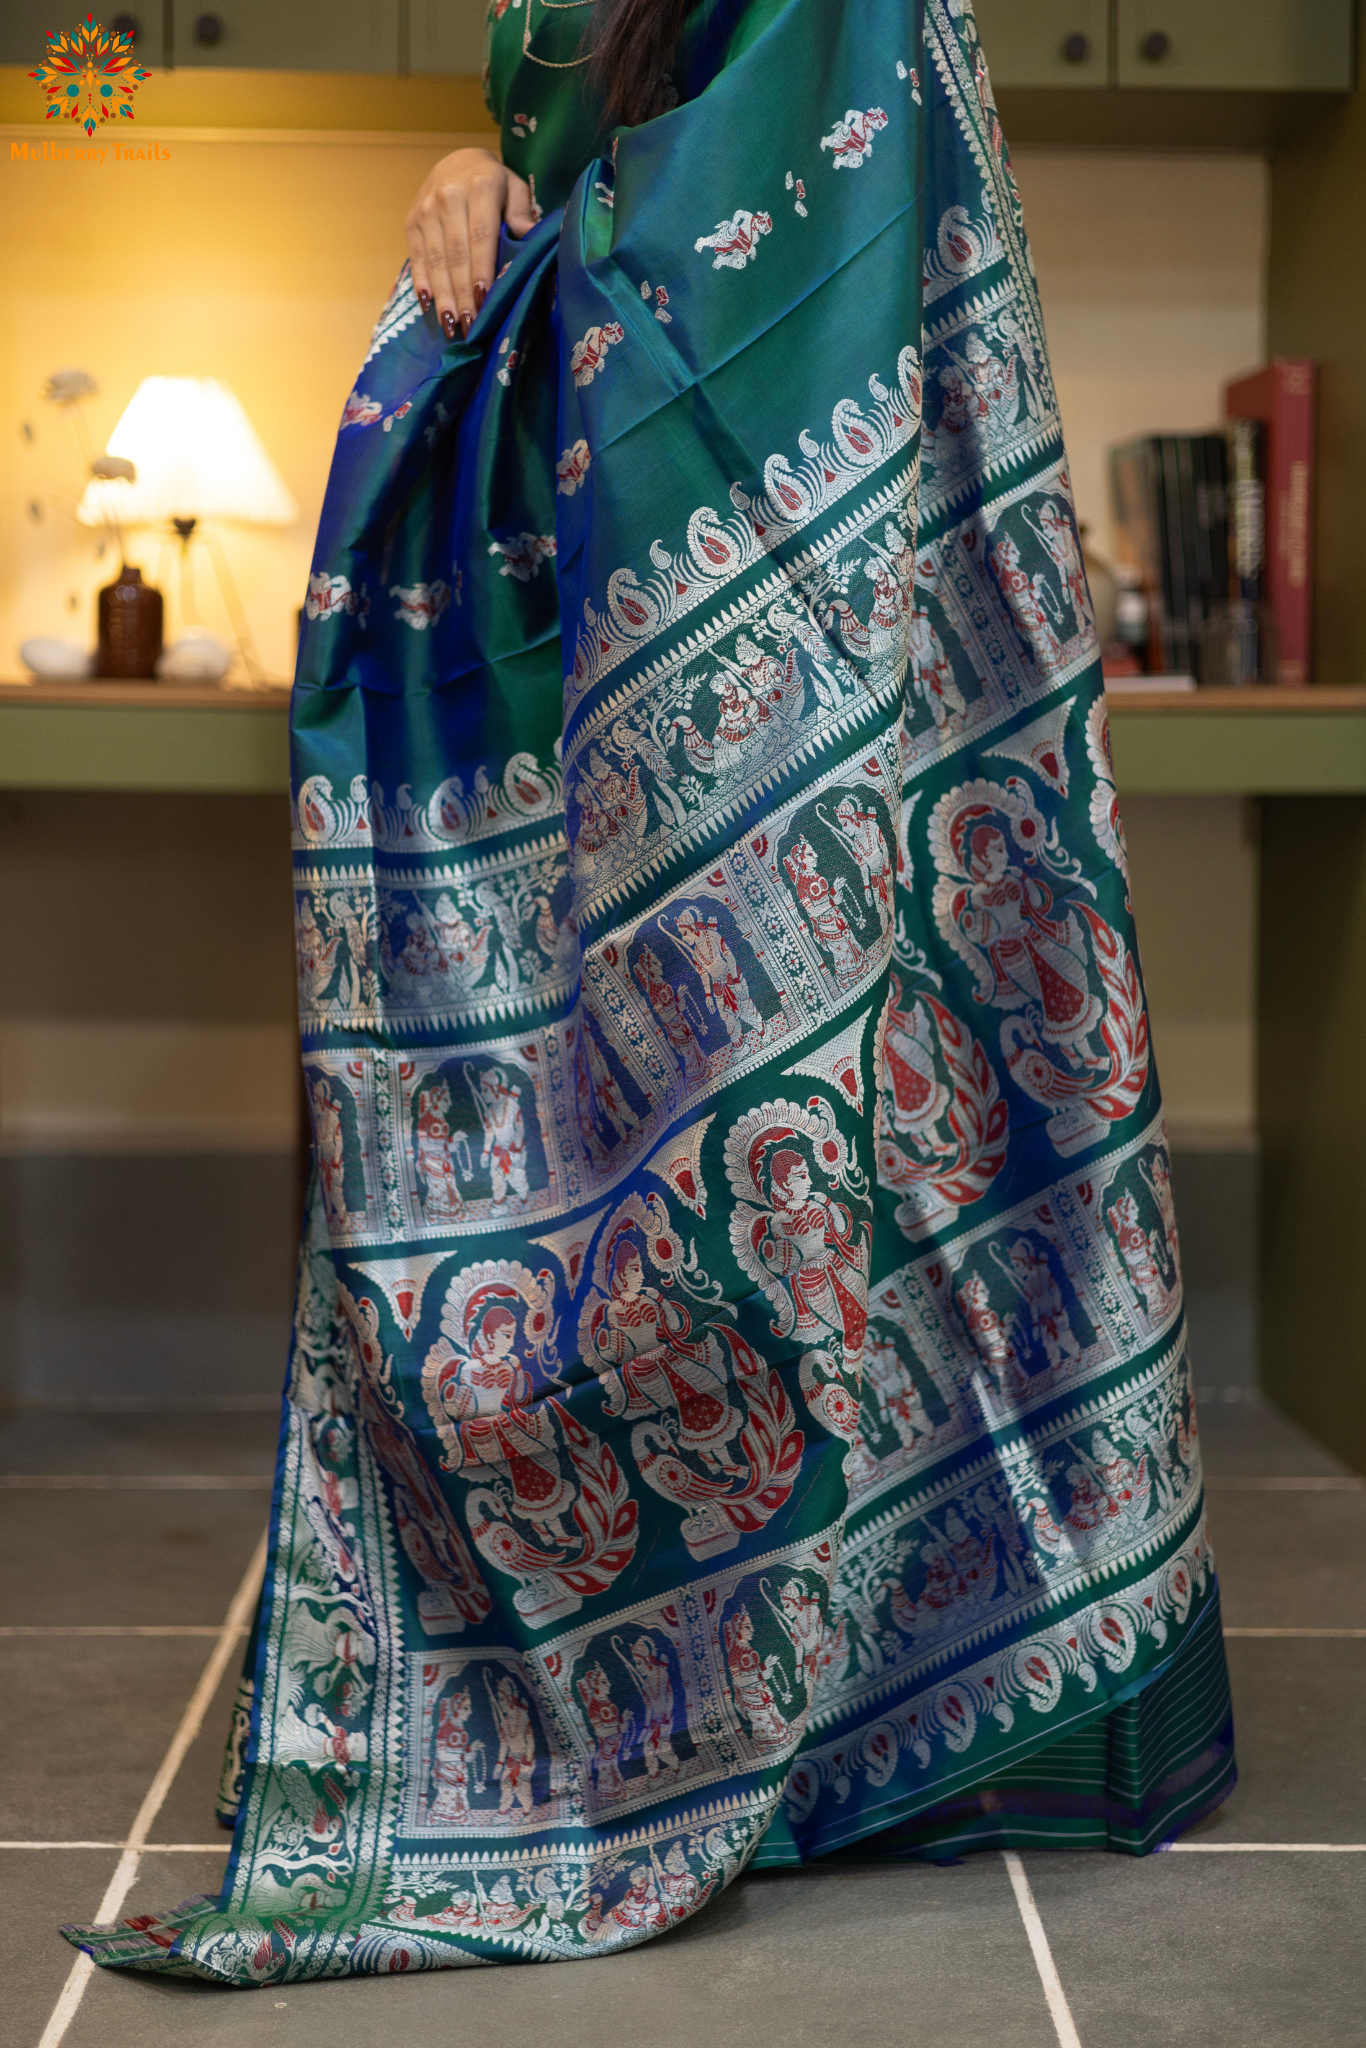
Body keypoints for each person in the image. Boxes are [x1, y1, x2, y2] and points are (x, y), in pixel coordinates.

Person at [67, 0, 1233, 1986]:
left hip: (845, 633)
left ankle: (877, 1709)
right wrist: (468, 194)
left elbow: (756, 265)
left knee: (869, 1131)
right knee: (711, 1166)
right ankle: (697, 1681)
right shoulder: (564, 15)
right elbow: (569, 231)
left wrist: (539, 251)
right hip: (614, 636)